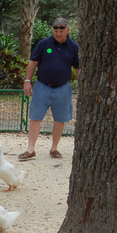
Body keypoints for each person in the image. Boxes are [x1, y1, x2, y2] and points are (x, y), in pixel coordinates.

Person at [19, 17, 80, 161]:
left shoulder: (73, 47)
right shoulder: (44, 44)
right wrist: (27, 81)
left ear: (67, 30)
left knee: (60, 119)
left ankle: (54, 148)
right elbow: (33, 62)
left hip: (63, 88)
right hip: (42, 86)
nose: (58, 33)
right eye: (56, 30)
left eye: (61, 30)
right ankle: (30, 149)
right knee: (35, 118)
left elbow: (78, 68)